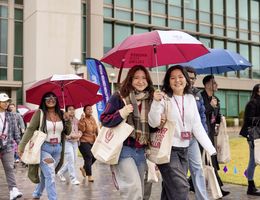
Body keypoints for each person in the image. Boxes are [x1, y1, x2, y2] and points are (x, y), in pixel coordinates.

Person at [148, 65, 216, 200]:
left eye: (180, 77)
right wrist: (156, 102)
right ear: (168, 81)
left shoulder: (191, 98)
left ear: (186, 79)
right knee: (181, 187)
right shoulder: (164, 98)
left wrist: (210, 148)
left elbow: (197, 125)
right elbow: (153, 122)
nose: (177, 80)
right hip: (168, 150)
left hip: (185, 149)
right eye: (172, 78)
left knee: (170, 189)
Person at [100, 65, 154, 200]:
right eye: (136, 78)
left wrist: (160, 119)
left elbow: (152, 127)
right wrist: (121, 113)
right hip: (123, 149)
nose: (140, 81)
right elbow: (104, 119)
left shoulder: (151, 99)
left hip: (142, 150)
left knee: (140, 190)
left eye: (143, 78)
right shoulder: (119, 97)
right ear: (130, 79)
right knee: (133, 190)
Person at [18, 92, 71, 200]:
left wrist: (67, 120)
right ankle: (53, 198)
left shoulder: (61, 114)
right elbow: (30, 130)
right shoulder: (40, 113)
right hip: (44, 149)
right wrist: (21, 146)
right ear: (43, 100)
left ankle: (37, 194)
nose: (51, 100)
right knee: (50, 174)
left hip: (58, 149)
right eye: (48, 98)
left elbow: (68, 132)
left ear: (56, 100)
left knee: (45, 174)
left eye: (53, 98)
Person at [201, 74, 230, 197]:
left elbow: (216, 117)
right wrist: (210, 106)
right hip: (202, 133)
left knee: (207, 160)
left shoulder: (216, 99)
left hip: (212, 133)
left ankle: (191, 182)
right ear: (207, 84)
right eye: (214, 83)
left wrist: (220, 118)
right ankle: (218, 187)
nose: (217, 85)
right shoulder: (200, 97)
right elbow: (200, 113)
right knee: (209, 160)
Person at [185, 66, 209, 200]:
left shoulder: (197, 94)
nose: (191, 81)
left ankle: (202, 198)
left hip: (193, 139)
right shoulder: (173, 93)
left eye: (193, 78)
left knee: (197, 169)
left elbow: (202, 115)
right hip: (177, 141)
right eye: (188, 77)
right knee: (179, 173)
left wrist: (203, 134)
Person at [0, 93, 23, 200]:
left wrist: (20, 145)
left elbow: (16, 132)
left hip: (7, 146)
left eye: (7, 101)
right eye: (3, 101)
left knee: (9, 167)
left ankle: (13, 190)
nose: (6, 103)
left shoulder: (12, 116)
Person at [239, 83, 260, 196]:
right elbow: (250, 120)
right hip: (253, 135)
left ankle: (251, 186)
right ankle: (250, 186)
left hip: (257, 135)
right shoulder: (252, 103)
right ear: (257, 91)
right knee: (253, 160)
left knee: (255, 160)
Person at [57, 105, 82, 185]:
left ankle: (60, 172)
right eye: (70, 109)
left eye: (73, 109)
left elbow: (80, 130)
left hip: (75, 142)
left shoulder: (76, 120)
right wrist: (70, 136)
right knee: (71, 160)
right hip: (67, 142)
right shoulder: (63, 120)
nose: (72, 111)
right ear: (66, 111)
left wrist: (79, 134)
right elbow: (62, 133)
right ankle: (73, 179)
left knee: (74, 161)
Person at [78, 105, 98, 182]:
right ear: (84, 111)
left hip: (92, 141)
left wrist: (98, 137)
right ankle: (89, 175)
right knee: (88, 157)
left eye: (91, 109)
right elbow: (82, 129)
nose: (90, 110)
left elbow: (96, 129)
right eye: (88, 109)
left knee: (95, 156)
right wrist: (82, 120)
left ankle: (84, 168)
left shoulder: (93, 118)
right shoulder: (82, 119)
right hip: (84, 142)